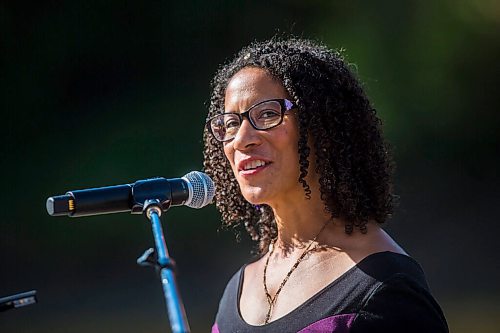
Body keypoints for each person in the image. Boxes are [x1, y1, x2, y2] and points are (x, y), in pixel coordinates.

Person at [203, 37, 448, 333]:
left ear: (323, 126)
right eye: (230, 123)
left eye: (267, 114)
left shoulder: (384, 288)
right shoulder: (237, 292)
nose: (241, 139)